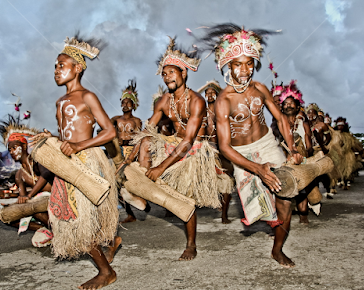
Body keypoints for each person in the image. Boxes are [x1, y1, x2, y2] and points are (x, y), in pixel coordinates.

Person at [198, 23, 302, 268]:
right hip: (240, 153)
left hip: (267, 144)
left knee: (285, 197)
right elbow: (224, 147)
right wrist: (257, 169)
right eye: (237, 64)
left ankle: (278, 249)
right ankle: (268, 217)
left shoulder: (260, 88)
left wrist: (292, 148)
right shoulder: (223, 101)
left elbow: (280, 118)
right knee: (260, 205)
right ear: (228, 66)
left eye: (249, 63)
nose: (244, 70)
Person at [31, 35, 118, 290]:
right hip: (66, 164)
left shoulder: (87, 96)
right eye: (55, 66)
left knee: (80, 219)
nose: (57, 70)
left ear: (77, 67)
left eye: (62, 65)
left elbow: (110, 131)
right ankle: (110, 251)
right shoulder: (60, 102)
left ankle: (106, 272)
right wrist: (53, 139)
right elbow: (68, 135)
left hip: (87, 161)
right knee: (72, 216)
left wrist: (80, 145)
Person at [122, 37, 222, 261]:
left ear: (184, 74)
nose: (167, 77)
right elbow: (147, 130)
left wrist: (160, 169)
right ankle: (141, 192)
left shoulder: (197, 101)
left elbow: (187, 142)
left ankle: (191, 244)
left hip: (193, 149)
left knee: (185, 198)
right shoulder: (163, 102)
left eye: (172, 72)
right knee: (147, 140)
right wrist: (128, 159)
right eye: (164, 73)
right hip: (173, 145)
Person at [0, 115, 54, 233]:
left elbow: (45, 176)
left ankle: (56, 229)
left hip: (55, 199)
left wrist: (29, 196)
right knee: (6, 217)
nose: (12, 152)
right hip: (37, 204)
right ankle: (44, 229)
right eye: (10, 150)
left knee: (34, 209)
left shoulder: (37, 159)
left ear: (24, 146)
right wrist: (13, 206)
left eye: (14, 147)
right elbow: (23, 198)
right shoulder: (19, 175)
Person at [197, 80, 235, 223]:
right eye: (207, 93)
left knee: (227, 181)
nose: (210, 95)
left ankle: (224, 215)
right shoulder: (202, 112)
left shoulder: (223, 111)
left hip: (223, 149)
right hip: (206, 149)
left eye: (213, 92)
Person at [111, 79, 148, 223]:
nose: (125, 105)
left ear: (133, 105)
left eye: (128, 102)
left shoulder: (137, 121)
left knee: (135, 180)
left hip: (132, 152)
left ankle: (144, 202)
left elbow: (140, 138)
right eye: (123, 102)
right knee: (118, 183)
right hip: (119, 152)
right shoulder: (115, 119)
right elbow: (105, 130)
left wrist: (137, 156)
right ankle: (130, 214)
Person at [279, 80, 313, 224]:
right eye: (285, 104)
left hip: (300, 160)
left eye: (291, 103)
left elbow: (309, 144)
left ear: (298, 106)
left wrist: (305, 156)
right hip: (282, 160)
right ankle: (279, 221)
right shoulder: (278, 123)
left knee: (302, 189)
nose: (288, 105)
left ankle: (303, 215)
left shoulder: (303, 123)